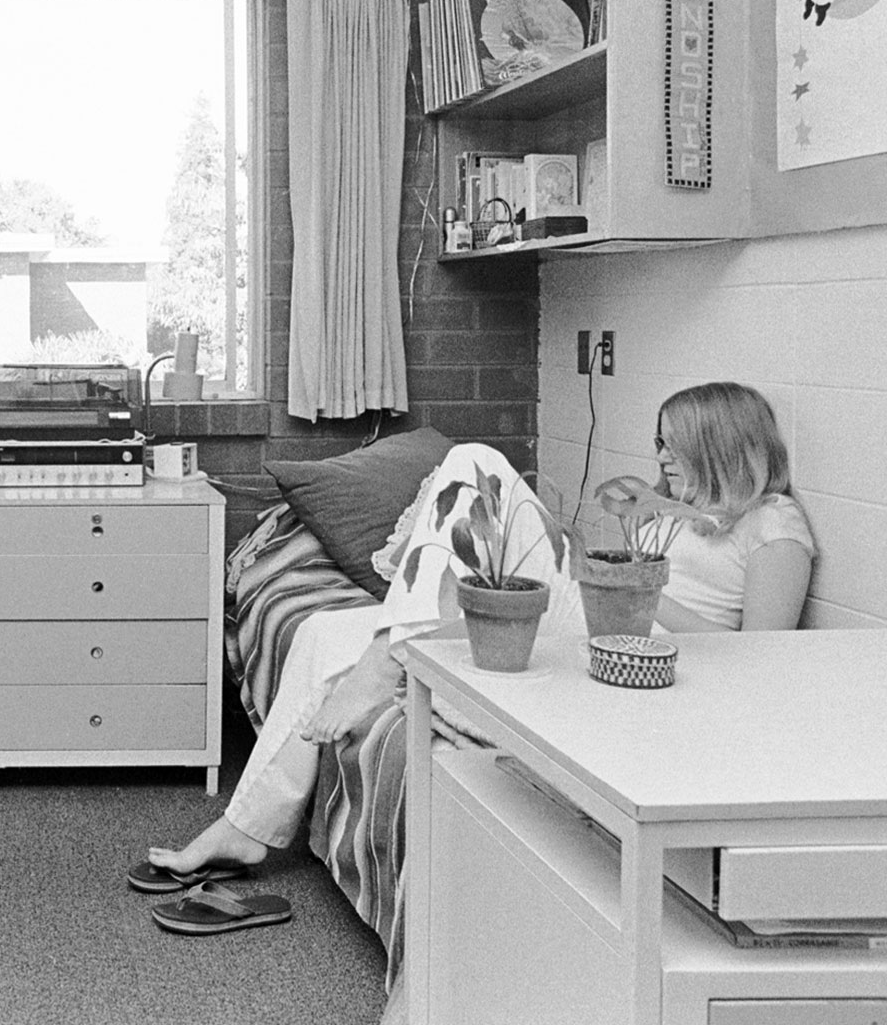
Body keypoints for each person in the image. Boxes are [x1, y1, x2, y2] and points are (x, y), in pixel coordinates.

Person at [142, 381, 815, 903]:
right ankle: (250, 826)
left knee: (476, 462)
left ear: (722, 446)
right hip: (600, 624)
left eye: (676, 444)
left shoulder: (774, 526)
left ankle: (390, 655)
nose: (662, 457)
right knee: (324, 630)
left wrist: (637, 588)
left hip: (647, 649)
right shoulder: (683, 516)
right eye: (661, 442)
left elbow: (762, 660)